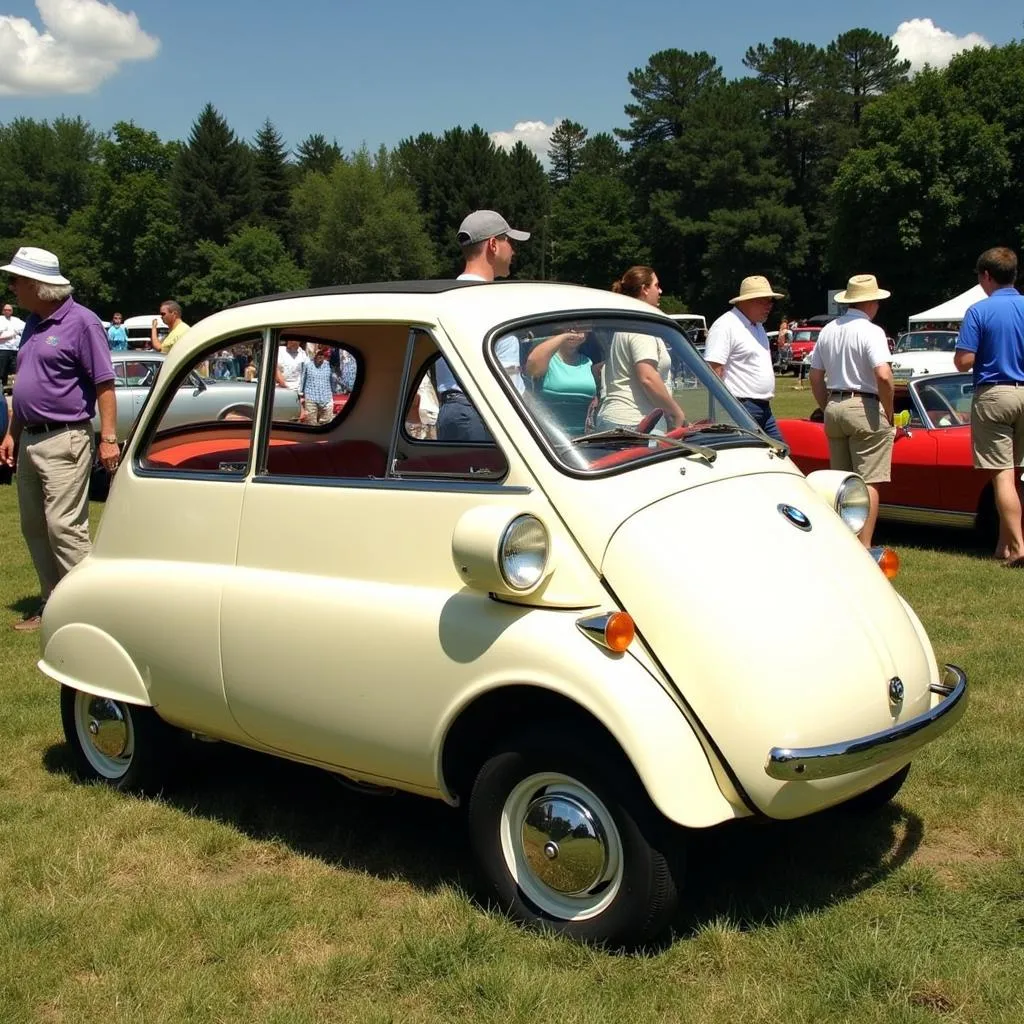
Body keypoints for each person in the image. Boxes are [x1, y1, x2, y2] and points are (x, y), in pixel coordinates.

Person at [0, 247, 118, 631]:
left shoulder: (83, 323)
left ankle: (94, 612)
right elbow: (25, 387)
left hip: (65, 438)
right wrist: (11, 434)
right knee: (34, 526)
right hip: (31, 438)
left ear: (37, 285)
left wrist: (110, 439)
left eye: (16, 280)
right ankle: (53, 604)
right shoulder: (33, 323)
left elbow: (104, 384)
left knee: (64, 527)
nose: (11, 287)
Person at [808, 274, 895, 549]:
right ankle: (865, 546)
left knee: (841, 485)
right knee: (869, 481)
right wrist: (889, 411)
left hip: (835, 404)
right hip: (865, 404)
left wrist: (826, 407)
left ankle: (844, 545)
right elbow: (883, 375)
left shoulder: (829, 329)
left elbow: (814, 376)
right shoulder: (871, 331)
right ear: (869, 302)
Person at [953, 246, 1024, 565]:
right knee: (1019, 472)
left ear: (986, 275)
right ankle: (1004, 545)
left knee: (1002, 475)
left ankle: (1019, 548)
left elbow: (963, 361)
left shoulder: (979, 311)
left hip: (995, 394)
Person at [436, 210, 529, 442]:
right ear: (493, 245)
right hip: (481, 411)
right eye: (508, 240)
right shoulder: (491, 300)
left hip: (456, 410)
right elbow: (504, 374)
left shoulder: (444, 298)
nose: (513, 250)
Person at [596, 266, 687, 431]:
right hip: (635, 422)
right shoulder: (641, 328)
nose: (660, 290)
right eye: (656, 285)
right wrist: (676, 412)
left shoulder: (627, 323)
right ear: (645, 289)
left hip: (618, 420)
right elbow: (648, 378)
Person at [704, 275, 785, 441]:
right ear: (747, 301)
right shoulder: (725, 325)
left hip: (762, 408)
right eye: (764, 301)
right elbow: (713, 371)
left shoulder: (758, 327)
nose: (769, 306)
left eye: (771, 301)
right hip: (740, 407)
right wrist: (725, 411)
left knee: (780, 453)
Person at [524, 327, 596, 435]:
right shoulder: (548, 360)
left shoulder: (587, 362)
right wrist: (564, 336)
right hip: (547, 437)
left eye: (581, 326)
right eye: (569, 327)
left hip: (581, 438)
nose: (574, 331)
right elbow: (533, 365)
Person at [298, 345, 335, 425]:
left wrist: (333, 393)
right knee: (311, 424)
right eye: (318, 354)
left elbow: (332, 381)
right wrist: (301, 394)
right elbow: (303, 379)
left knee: (327, 424)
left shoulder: (329, 365)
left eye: (322, 354)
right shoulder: (308, 365)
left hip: (327, 398)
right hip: (311, 398)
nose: (320, 356)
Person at [0, 301, 26, 390]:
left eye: (9, 310)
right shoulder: (0, 320)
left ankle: (13, 388)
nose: (8, 311)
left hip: (15, 349)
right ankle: (1, 387)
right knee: (2, 370)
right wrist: (13, 333)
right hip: (3, 349)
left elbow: (24, 330)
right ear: (3, 311)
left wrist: (9, 334)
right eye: (6, 310)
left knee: (15, 370)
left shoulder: (16, 320)